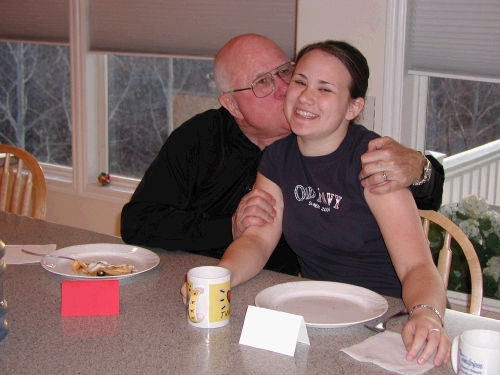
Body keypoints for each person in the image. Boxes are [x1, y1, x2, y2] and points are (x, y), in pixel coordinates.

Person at [191, 40, 450, 366]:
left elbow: (417, 266)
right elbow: (257, 240)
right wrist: (219, 277)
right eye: (300, 81)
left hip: (391, 320)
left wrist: (426, 315)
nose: (305, 97)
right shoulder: (277, 158)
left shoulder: (374, 161)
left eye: (325, 89)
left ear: (353, 108)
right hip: (317, 315)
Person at [121, 33, 444, 276]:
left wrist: (422, 168)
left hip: (298, 292)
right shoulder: (200, 140)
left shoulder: (323, 134)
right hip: (221, 278)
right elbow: (138, 222)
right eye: (262, 82)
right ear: (232, 105)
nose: (286, 89)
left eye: (286, 72)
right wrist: (229, 228)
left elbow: (409, 199)